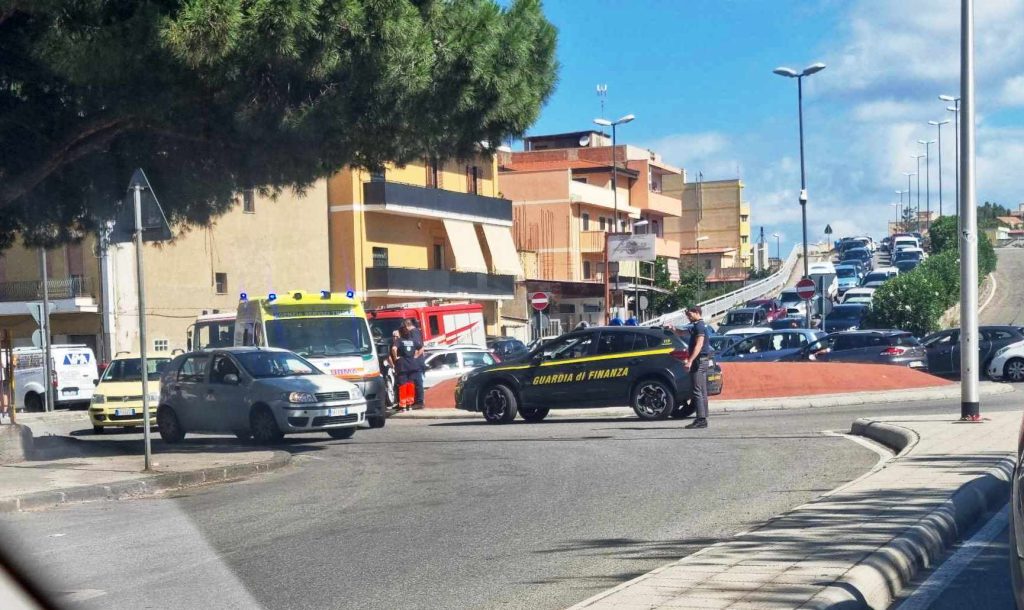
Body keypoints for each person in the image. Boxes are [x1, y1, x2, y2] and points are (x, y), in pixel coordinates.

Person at [683, 305, 711, 429]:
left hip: (699, 361)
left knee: (697, 390)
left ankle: (701, 419)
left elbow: (699, 345)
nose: (688, 317)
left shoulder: (699, 326)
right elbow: (684, 332)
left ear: (696, 312)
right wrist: (673, 330)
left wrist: (690, 360)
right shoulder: (698, 325)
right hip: (703, 360)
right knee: (702, 390)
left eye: (689, 314)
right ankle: (704, 416)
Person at [391, 318, 425, 410]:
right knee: (411, 384)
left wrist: (395, 358)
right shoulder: (413, 339)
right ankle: (410, 403)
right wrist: (416, 355)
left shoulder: (400, 340)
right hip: (413, 365)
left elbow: (394, 349)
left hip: (404, 366)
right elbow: (421, 347)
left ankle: (403, 404)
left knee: (403, 385)